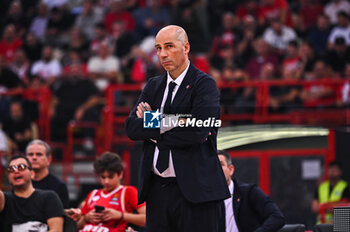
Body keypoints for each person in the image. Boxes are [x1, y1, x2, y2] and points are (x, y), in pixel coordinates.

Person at [125, 25, 230, 232]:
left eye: (169, 46)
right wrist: (176, 121)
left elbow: (198, 129)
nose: (162, 54)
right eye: (158, 48)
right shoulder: (153, 85)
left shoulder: (204, 84)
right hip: (157, 190)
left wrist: (154, 124)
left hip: (195, 191)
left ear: (186, 47)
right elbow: (131, 128)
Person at [65, 151, 146, 232]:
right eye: (103, 177)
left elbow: (147, 219)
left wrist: (121, 215)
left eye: (110, 177)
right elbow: (74, 227)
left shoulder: (128, 192)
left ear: (120, 174)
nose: (106, 181)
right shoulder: (93, 194)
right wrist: (86, 218)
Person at [217, 150, 286, 232]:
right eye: (212, 165)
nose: (215, 168)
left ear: (231, 170)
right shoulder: (207, 199)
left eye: (220, 164)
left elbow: (277, 217)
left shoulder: (249, 192)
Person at [0, 154, 64, 231]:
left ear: (32, 174)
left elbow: (56, 230)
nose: (16, 171)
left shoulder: (49, 197)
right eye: (11, 169)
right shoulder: (4, 199)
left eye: (21, 167)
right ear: (9, 178)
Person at [26, 139, 70, 208]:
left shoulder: (59, 186)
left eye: (39, 154)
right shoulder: (21, 184)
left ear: (49, 160)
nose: (34, 157)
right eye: (30, 154)